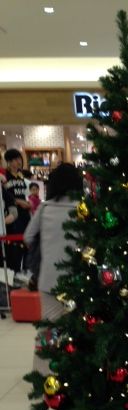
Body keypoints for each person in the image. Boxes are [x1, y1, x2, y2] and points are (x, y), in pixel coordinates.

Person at [24, 163, 83, 373]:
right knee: (77, 329)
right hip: (77, 281)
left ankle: (42, 374)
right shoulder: (83, 209)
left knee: (48, 329)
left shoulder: (44, 208)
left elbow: (28, 237)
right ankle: (73, 373)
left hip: (48, 279)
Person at [2, 148, 31, 273]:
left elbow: (25, 193)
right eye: (15, 159)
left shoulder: (21, 175)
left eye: (19, 159)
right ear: (9, 161)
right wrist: (19, 202)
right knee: (15, 245)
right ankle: (14, 271)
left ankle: (25, 270)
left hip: (25, 213)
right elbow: (5, 195)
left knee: (27, 241)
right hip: (13, 214)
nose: (18, 162)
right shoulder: (5, 176)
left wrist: (28, 202)